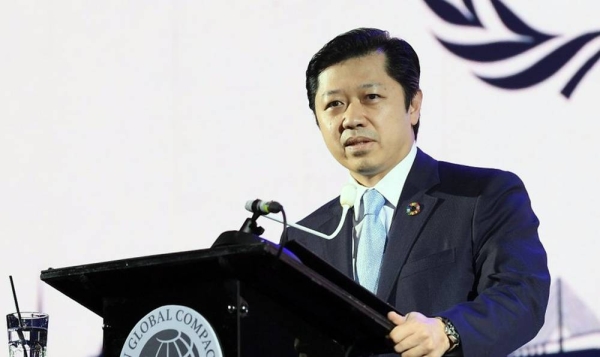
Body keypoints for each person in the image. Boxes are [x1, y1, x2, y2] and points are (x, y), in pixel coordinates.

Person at [287, 28, 550, 357]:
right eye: (334, 104)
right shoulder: (303, 239)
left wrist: (447, 331)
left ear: (413, 105)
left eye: (371, 97)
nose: (351, 118)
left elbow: (521, 296)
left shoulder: (482, 196)